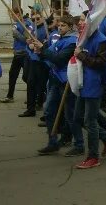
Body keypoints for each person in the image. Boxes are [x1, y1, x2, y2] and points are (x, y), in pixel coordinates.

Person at [32, 15, 80, 154]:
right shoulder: (61, 38)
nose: (60, 27)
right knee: (49, 110)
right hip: (55, 79)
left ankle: (79, 144)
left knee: (71, 114)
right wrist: (40, 50)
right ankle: (52, 142)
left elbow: (59, 59)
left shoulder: (72, 41)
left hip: (66, 81)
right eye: (59, 25)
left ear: (70, 27)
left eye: (63, 25)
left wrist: (43, 50)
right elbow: (49, 53)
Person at [73, 26, 106, 169]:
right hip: (83, 83)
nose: (80, 24)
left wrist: (81, 55)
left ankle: (93, 157)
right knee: (78, 118)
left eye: (83, 20)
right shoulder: (84, 38)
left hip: (94, 84)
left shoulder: (101, 40)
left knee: (90, 121)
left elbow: (100, 63)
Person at [0, 7, 32, 103]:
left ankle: (36, 94)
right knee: (12, 75)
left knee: (26, 77)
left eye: (12, 15)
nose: (12, 17)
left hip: (25, 53)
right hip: (18, 53)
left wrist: (16, 32)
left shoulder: (27, 23)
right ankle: (10, 96)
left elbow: (27, 40)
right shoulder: (17, 23)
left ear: (18, 14)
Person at [20, 11, 49, 118]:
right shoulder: (32, 28)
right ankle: (30, 109)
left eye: (38, 18)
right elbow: (28, 41)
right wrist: (29, 44)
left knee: (43, 86)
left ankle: (43, 106)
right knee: (30, 84)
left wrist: (41, 47)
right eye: (33, 19)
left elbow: (48, 44)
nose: (35, 21)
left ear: (42, 18)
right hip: (33, 60)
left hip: (43, 62)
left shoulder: (47, 29)